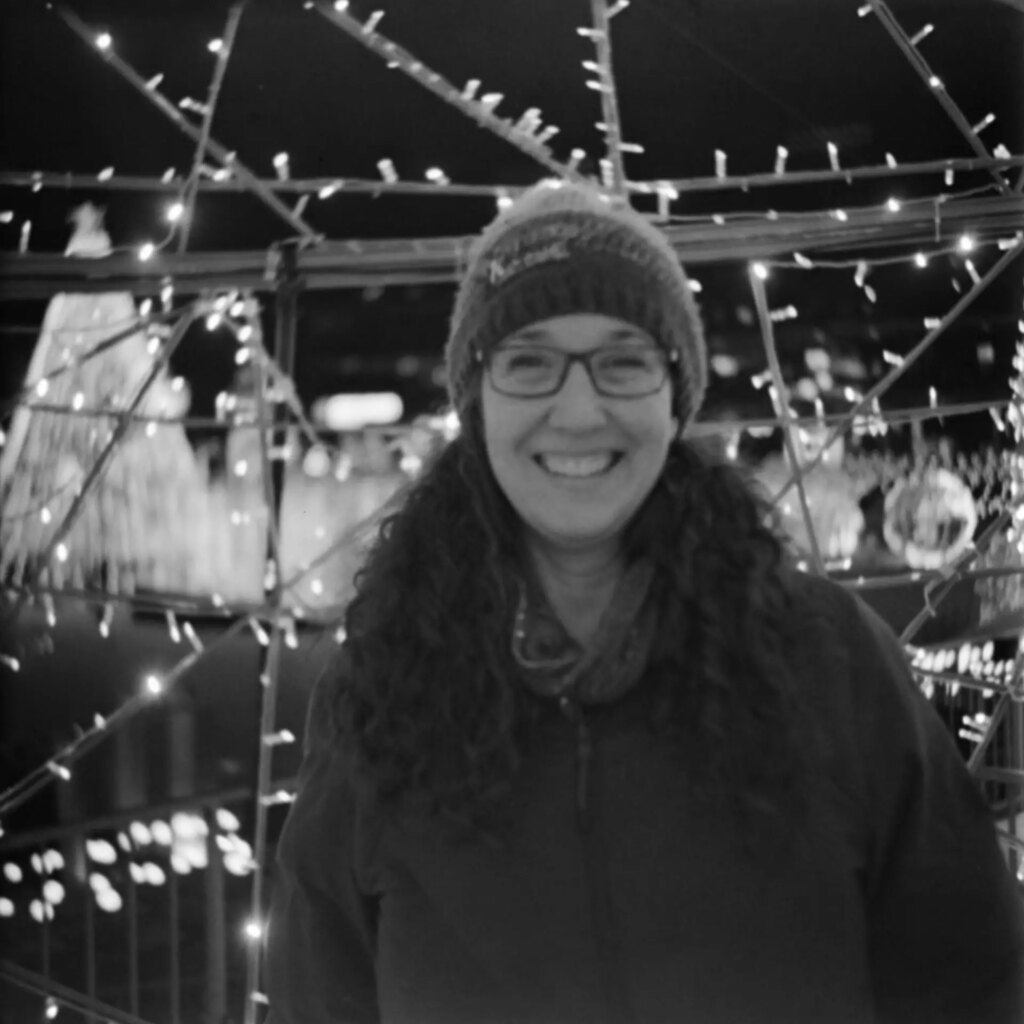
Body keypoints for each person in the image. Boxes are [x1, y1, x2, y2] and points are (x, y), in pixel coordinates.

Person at [265, 180, 1024, 1023]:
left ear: (675, 395)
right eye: (529, 361)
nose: (579, 410)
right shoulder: (383, 692)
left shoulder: (827, 659)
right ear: (478, 400)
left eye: (623, 360)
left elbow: (972, 981)